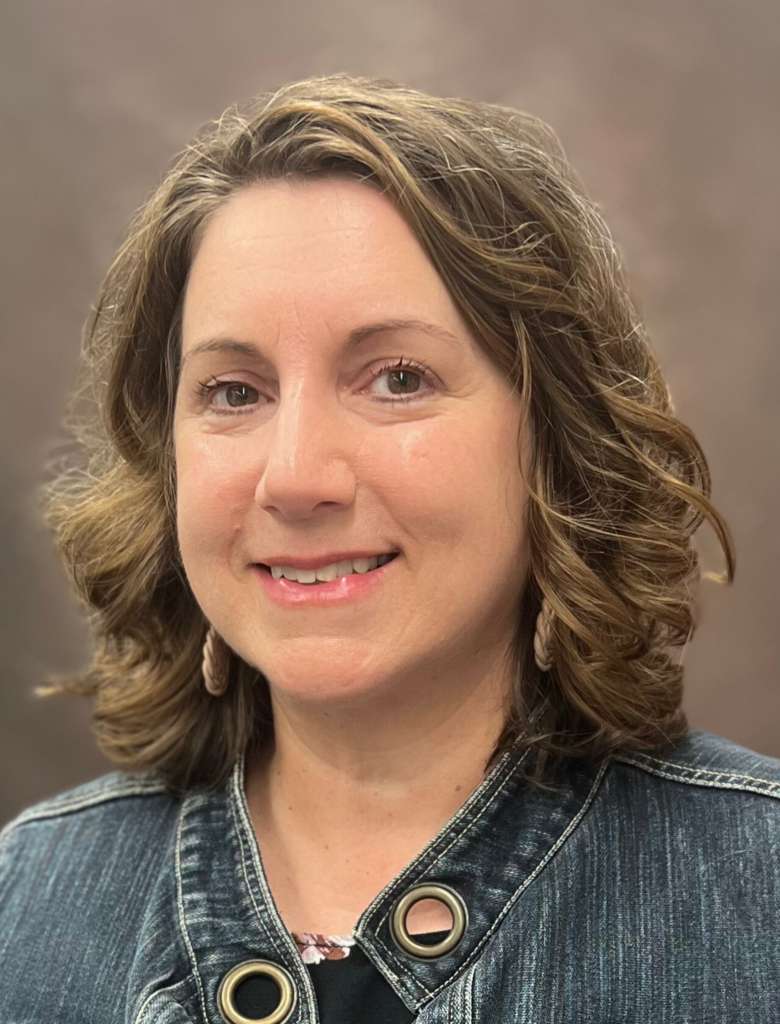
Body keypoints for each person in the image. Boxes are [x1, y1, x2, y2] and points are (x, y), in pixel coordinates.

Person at [0, 73, 777, 1024]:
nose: (295, 477)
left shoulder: (757, 898)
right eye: (234, 392)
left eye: (397, 378)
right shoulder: (25, 905)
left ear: (554, 435)